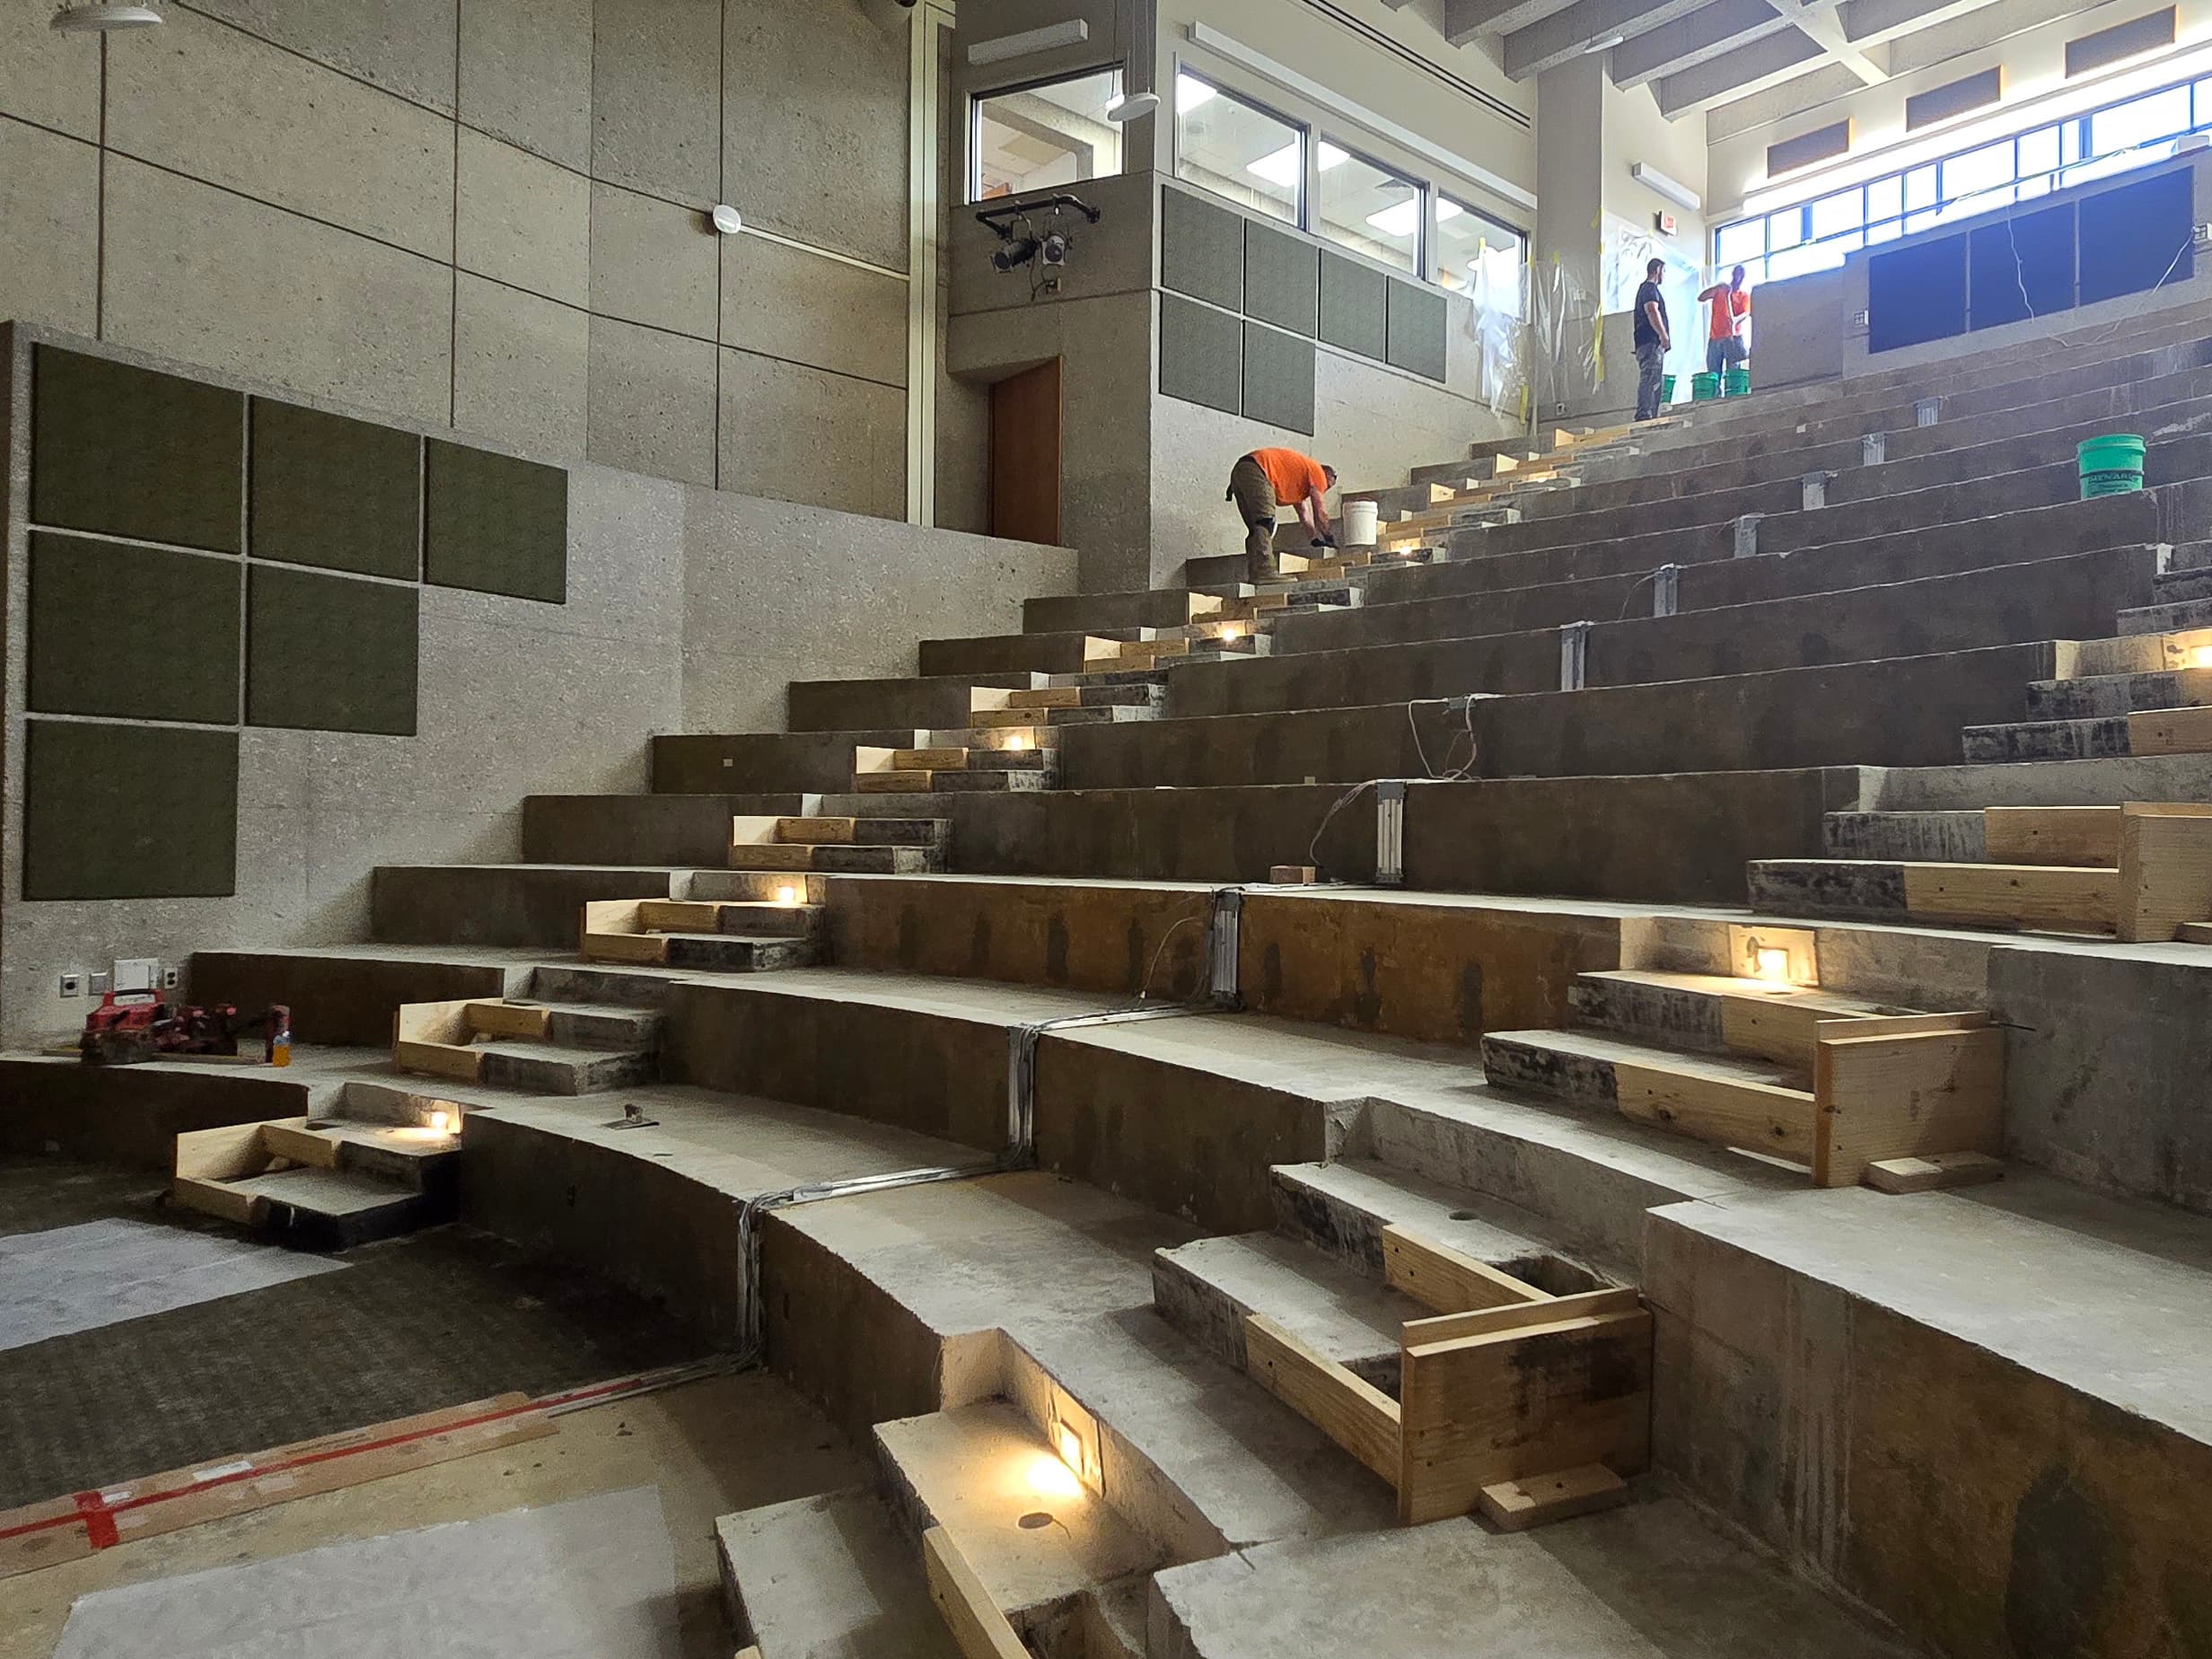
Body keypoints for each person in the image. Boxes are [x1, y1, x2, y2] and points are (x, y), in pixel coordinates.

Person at [1225, 447, 1336, 583]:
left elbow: (1304, 513)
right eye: (1327, 487)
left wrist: (1314, 539)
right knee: (1265, 522)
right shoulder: (1318, 473)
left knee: (1256, 528)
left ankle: (1256, 573)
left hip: (1242, 470)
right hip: (1259, 469)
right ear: (1328, 476)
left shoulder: (1301, 478)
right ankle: (1265, 571)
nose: (1324, 489)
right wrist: (1328, 536)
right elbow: (1319, 511)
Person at [1633, 257, 1671, 423]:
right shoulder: (1649, 289)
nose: (1664, 275)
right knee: (1650, 378)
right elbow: (1652, 311)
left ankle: (1649, 414)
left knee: (1654, 378)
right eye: (1663, 271)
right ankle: (1645, 414)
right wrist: (1663, 335)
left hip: (1645, 343)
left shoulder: (1646, 290)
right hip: (1650, 342)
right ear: (1657, 270)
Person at [1698, 265, 1751, 377]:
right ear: (1733, 274)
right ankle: (1715, 394)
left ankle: (1732, 394)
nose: (1738, 278)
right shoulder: (1721, 290)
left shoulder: (1743, 296)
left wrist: (1735, 321)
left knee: (1733, 374)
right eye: (1737, 274)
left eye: (1741, 275)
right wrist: (1715, 288)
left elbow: (1746, 313)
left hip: (1732, 339)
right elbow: (1701, 298)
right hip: (1715, 337)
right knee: (1713, 374)